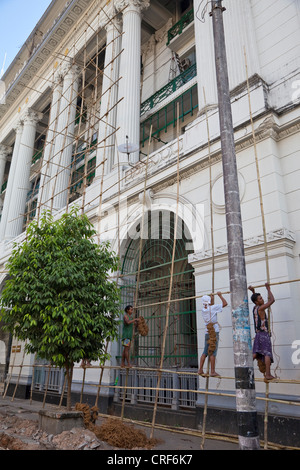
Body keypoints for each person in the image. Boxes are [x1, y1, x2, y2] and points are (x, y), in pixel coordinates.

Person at [248, 283, 275, 381]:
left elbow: (255, 300)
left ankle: (245, 368)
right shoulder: (261, 308)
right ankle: (268, 374)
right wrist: (268, 289)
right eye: (260, 299)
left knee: (255, 353)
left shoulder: (255, 307)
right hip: (263, 334)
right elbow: (272, 300)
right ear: (256, 301)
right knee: (266, 353)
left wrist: (253, 292)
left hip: (258, 334)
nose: (262, 299)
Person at [198, 291, 228, 377]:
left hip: (207, 331)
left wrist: (212, 299)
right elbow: (225, 304)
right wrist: (220, 296)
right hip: (214, 332)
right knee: (212, 352)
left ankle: (200, 369)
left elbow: (212, 307)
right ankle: (212, 371)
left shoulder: (204, 310)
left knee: (205, 351)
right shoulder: (213, 308)